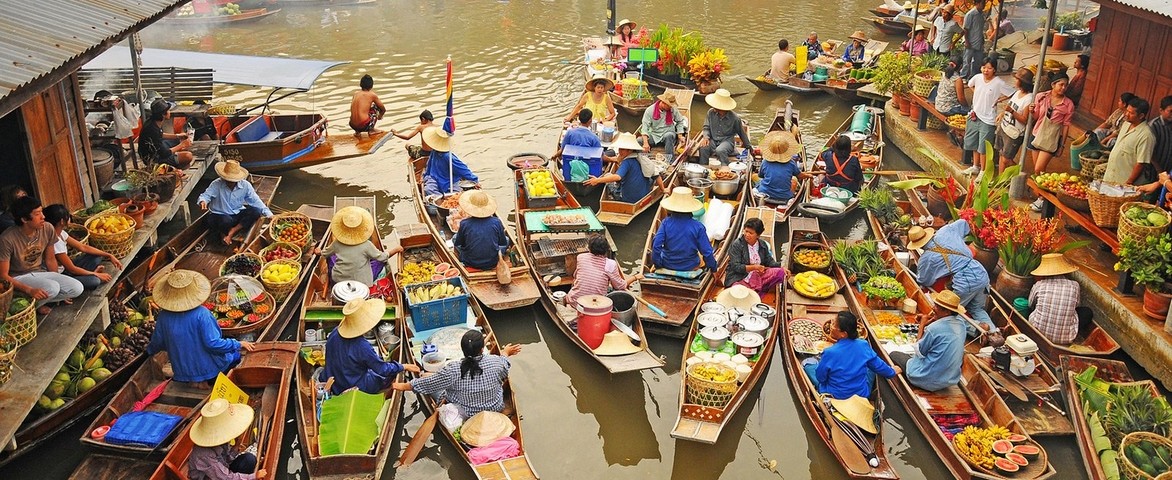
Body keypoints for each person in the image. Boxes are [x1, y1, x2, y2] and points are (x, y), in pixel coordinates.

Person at [146, 270, 256, 385]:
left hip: (182, 372)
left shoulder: (164, 316)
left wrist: (149, 351)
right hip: (210, 371)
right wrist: (238, 344)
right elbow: (213, 343)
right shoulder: (202, 314)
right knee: (236, 356)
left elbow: (158, 342)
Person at [392, 329, 521, 419]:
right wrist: (505, 352)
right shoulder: (496, 361)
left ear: (463, 350)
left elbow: (426, 385)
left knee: (427, 379)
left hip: (467, 413)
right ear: (482, 349)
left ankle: (424, 374)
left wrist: (401, 386)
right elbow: (505, 364)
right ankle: (427, 375)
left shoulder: (453, 369)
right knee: (432, 378)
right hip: (495, 408)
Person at [0, 196, 83, 315]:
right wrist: (29, 290)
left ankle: (41, 301)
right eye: (37, 214)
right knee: (52, 287)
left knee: (76, 288)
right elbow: (3, 276)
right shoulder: (7, 239)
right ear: (24, 219)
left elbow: (50, 259)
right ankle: (25, 309)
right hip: (18, 277)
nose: (43, 217)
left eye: (42, 212)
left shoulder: (47, 228)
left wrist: (61, 292)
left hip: (40, 272)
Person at [320, 298, 418, 395]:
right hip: (353, 386)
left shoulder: (335, 332)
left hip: (335, 380)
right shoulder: (361, 346)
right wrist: (404, 366)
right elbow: (383, 369)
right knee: (387, 376)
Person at [911, 221, 994, 332]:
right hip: (980, 271)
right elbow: (964, 223)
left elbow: (924, 281)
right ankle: (994, 332)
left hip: (965, 281)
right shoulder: (945, 231)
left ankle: (977, 328)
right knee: (976, 309)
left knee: (949, 313)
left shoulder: (926, 259)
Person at [806, 311, 900, 399]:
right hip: (861, 394)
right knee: (871, 366)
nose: (831, 326)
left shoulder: (830, 352)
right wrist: (892, 371)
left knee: (808, 363)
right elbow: (879, 366)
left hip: (835, 396)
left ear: (843, 334)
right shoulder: (863, 344)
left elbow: (820, 378)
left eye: (834, 325)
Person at [889, 289, 967, 392]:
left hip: (927, 378)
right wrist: (932, 320)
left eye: (937, 307)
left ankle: (904, 382)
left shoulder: (934, 328)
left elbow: (919, 351)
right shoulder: (961, 325)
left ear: (947, 311)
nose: (933, 308)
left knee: (894, 354)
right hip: (949, 379)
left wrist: (922, 325)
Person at [43, 204, 123, 291]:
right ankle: (89, 274)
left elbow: (83, 247)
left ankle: (87, 274)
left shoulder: (61, 233)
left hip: (66, 269)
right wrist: (96, 275)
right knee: (94, 281)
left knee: (97, 256)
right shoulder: (55, 242)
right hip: (62, 276)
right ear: (62, 221)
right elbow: (72, 269)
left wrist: (109, 255)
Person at [315, 206, 402, 285]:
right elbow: (382, 257)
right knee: (380, 261)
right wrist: (396, 249)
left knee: (331, 257)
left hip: (338, 280)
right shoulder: (367, 245)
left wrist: (318, 251)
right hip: (362, 283)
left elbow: (324, 253)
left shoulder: (336, 244)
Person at [198, 160, 274, 246]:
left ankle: (232, 231)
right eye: (227, 179)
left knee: (255, 212)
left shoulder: (245, 185)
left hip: (236, 213)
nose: (229, 182)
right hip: (219, 215)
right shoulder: (216, 184)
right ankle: (223, 233)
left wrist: (269, 214)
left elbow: (255, 201)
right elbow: (205, 195)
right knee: (225, 220)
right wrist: (203, 202)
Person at [187, 399, 266, 480]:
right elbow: (225, 477)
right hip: (211, 477)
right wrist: (254, 476)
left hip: (222, 470)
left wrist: (237, 445)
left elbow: (226, 460)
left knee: (249, 459)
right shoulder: (205, 455)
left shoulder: (220, 440)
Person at [650, 187, 718, 274]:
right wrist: (714, 269)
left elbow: (656, 245)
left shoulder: (665, 223)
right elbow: (707, 253)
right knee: (701, 258)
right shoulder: (698, 227)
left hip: (667, 263)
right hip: (690, 266)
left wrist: (658, 264)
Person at [964, 58, 1015, 174]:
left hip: (988, 119)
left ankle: (983, 171)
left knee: (983, 147)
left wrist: (999, 99)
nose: (986, 70)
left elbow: (1012, 92)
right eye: (984, 67)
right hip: (974, 114)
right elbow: (970, 84)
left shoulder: (998, 83)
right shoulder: (977, 78)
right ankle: (975, 166)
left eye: (989, 68)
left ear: (994, 70)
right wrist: (977, 93)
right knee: (974, 143)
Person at [583, 132, 666, 203]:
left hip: (627, 199)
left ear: (629, 150)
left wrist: (597, 180)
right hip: (643, 195)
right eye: (620, 149)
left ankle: (612, 198)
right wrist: (663, 189)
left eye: (623, 150)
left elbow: (617, 177)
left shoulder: (627, 162)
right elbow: (656, 175)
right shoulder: (642, 159)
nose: (620, 151)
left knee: (607, 175)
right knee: (650, 179)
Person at [1026, 73, 1076, 190]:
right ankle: (1040, 195)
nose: (1063, 88)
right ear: (1053, 85)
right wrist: (1032, 111)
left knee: (1039, 168)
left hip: (1051, 138)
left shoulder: (1068, 104)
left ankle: (1041, 197)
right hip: (1036, 134)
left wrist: (1062, 145)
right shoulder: (1041, 96)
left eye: (1066, 86)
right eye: (1061, 85)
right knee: (1038, 171)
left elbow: (1066, 126)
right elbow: (1037, 116)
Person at [566, 234, 640, 307]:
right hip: (596, 306)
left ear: (589, 248)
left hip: (574, 301)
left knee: (575, 282)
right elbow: (620, 286)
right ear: (606, 250)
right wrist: (635, 277)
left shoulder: (581, 257)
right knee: (613, 290)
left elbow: (575, 276)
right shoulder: (611, 264)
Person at [1027, 253, 1081, 345]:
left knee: (1032, 309)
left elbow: (1030, 304)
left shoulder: (1040, 285)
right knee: (1086, 312)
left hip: (1038, 332)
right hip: (1067, 338)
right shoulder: (1075, 285)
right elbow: (1077, 304)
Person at [1103, 97, 1155, 186]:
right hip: (1110, 177)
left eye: (1131, 113)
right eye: (1127, 111)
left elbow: (1141, 163)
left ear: (1141, 116)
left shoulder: (1146, 136)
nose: (1126, 114)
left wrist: (1129, 182)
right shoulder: (1126, 124)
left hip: (1123, 182)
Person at [724, 217, 785, 294]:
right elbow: (736, 266)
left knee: (781, 272)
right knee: (738, 291)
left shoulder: (762, 244)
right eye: (746, 231)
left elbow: (768, 261)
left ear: (758, 235)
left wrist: (781, 266)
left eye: (751, 233)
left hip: (758, 275)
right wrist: (754, 267)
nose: (747, 235)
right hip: (740, 277)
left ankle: (759, 289)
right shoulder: (737, 245)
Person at [452, 190, 509, 271]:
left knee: (454, 238)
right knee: (507, 239)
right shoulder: (496, 222)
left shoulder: (464, 223)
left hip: (470, 262)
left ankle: (461, 260)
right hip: (493, 261)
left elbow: (459, 243)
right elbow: (502, 242)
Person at [697, 89, 754, 165]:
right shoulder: (710, 113)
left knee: (720, 150)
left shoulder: (735, 118)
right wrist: (706, 137)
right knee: (703, 148)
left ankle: (725, 168)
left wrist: (749, 148)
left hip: (727, 141)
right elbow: (706, 127)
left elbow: (742, 134)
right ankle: (703, 169)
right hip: (713, 140)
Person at [421, 126, 479, 197]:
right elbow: (429, 165)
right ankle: (440, 199)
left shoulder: (448, 157)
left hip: (449, 182)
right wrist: (425, 176)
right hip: (434, 179)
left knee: (459, 194)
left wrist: (475, 180)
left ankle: (444, 199)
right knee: (428, 189)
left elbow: (463, 169)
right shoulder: (434, 151)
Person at [996, 69, 1035, 174]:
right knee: (1002, 154)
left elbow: (1025, 120)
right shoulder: (1017, 92)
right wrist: (1002, 113)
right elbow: (1009, 106)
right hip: (1005, 127)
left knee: (1006, 159)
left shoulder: (1029, 99)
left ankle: (1019, 173)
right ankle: (1000, 178)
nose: (1014, 81)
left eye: (1017, 79)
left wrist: (1012, 112)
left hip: (1014, 133)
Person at [139, 99, 193, 169]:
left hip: (158, 150)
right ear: (163, 114)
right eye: (168, 111)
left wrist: (178, 136)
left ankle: (176, 160)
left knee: (178, 140)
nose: (169, 112)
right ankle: (172, 169)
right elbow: (164, 153)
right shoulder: (152, 129)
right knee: (188, 156)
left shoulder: (153, 122)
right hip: (153, 159)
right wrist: (182, 145)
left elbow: (160, 134)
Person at [554, 109, 606, 182]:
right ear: (590, 121)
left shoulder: (570, 132)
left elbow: (562, 149)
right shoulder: (594, 137)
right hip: (588, 167)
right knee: (610, 152)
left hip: (572, 163)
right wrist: (613, 159)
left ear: (579, 119)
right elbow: (601, 156)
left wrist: (555, 156)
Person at [754, 129, 804, 204]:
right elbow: (800, 176)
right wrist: (808, 176)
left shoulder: (765, 162)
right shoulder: (791, 163)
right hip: (785, 196)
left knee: (754, 176)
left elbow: (760, 175)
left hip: (764, 192)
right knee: (794, 180)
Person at [639, 92, 687, 158]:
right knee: (639, 140)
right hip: (655, 135)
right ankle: (643, 159)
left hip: (668, 133)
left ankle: (670, 160)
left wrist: (680, 135)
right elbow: (645, 127)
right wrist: (645, 143)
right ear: (663, 103)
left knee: (668, 135)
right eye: (669, 105)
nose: (670, 107)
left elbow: (680, 121)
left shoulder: (673, 109)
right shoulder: (650, 110)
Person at [959, 0, 987, 78]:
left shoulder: (981, 14)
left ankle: (973, 76)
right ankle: (963, 76)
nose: (984, 5)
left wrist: (982, 39)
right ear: (977, 3)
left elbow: (980, 29)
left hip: (979, 42)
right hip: (970, 42)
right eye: (982, 3)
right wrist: (967, 41)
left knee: (978, 61)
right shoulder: (970, 14)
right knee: (967, 61)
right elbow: (965, 29)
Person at [1148, 95, 1172, 176]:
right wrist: (1160, 171)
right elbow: (1150, 152)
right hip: (1152, 172)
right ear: (1161, 110)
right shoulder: (1153, 126)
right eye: (1170, 111)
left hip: (1168, 172)